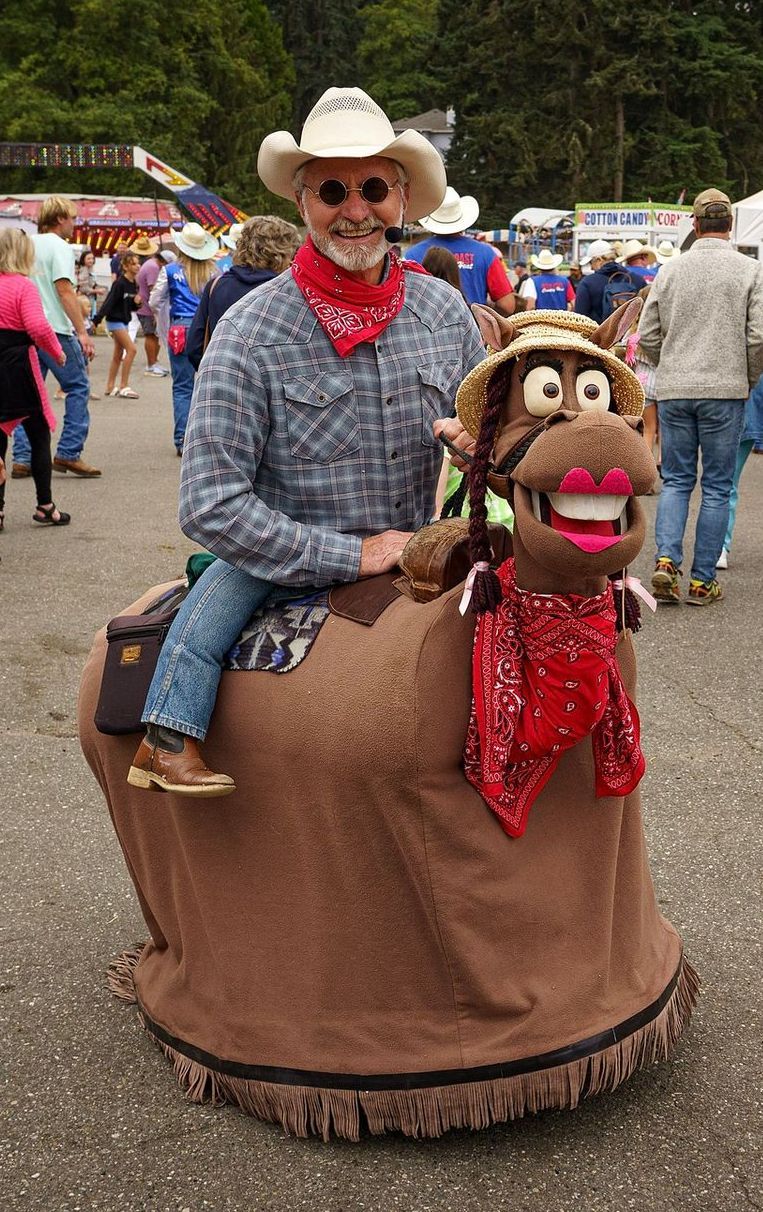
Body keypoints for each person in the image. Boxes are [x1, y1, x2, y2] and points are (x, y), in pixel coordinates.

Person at [127, 84, 484, 797]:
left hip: (419, 549)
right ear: (303, 203)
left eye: (373, 187)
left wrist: (478, 446)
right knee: (214, 603)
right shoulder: (251, 330)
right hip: (287, 558)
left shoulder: (446, 313)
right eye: (332, 189)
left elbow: (491, 431)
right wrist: (350, 554)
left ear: (403, 199)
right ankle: (166, 732)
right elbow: (210, 505)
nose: (355, 209)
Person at [640, 188, 763, 605]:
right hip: (726, 390)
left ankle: (665, 561)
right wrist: (746, 376)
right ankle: (702, 579)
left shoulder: (670, 271)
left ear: (694, 224)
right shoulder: (751, 270)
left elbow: (648, 334)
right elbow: (758, 337)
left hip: (675, 388)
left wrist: (667, 363)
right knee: (716, 485)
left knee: (676, 480)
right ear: (730, 225)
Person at [11, 195, 99, 479]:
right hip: (54, 329)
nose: (74, 223)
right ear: (60, 218)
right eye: (72, 218)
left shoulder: (27, 244)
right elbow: (64, 289)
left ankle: (22, 457)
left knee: (28, 392)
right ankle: (69, 451)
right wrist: (83, 332)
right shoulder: (60, 247)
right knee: (78, 386)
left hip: (24, 327)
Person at [0, 228, 70, 530]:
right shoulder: (23, 286)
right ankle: (45, 505)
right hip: (17, 366)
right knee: (39, 431)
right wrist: (58, 353)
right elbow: (38, 327)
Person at [186, 215, 300, 371]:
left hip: (222, 380)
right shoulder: (289, 291)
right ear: (282, 252)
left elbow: (194, 346)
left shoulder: (216, 285)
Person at [148, 223, 218, 455]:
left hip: (179, 330)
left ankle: (182, 438)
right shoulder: (214, 271)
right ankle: (207, 438)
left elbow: (154, 301)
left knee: (182, 386)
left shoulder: (170, 271)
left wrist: (164, 323)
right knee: (209, 386)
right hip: (206, 331)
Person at [404, 186, 515, 314]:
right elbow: (507, 305)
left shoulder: (413, 254)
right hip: (473, 328)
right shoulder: (486, 253)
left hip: (426, 329)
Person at [716, 373, 763, 568]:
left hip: (736, 406)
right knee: (725, 485)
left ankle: (720, 547)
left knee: (724, 484)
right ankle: (720, 547)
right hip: (746, 407)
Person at [94, 250, 142, 398]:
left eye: (137, 263)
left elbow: (130, 306)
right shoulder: (119, 283)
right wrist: (97, 319)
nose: (137, 266)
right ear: (126, 266)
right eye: (133, 264)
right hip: (114, 321)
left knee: (118, 354)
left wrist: (137, 304)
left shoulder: (134, 283)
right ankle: (124, 385)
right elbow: (109, 302)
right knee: (132, 350)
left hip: (124, 320)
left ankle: (109, 386)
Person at [131, 236, 170, 377]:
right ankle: (151, 364)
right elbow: (154, 290)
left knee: (155, 335)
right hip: (147, 308)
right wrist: (156, 312)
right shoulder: (153, 267)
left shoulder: (148, 264)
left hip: (146, 305)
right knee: (151, 335)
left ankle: (154, 362)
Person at [574, 240, 628, 323]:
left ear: (598, 260)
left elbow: (579, 319)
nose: (591, 268)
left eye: (591, 263)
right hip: (630, 335)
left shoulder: (587, 283)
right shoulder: (635, 279)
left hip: (599, 334)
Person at [75, 248, 103, 321]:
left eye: (92, 258)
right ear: (83, 260)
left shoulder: (90, 269)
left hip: (89, 298)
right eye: (88, 259)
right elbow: (83, 288)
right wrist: (97, 291)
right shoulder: (84, 271)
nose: (91, 260)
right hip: (84, 299)